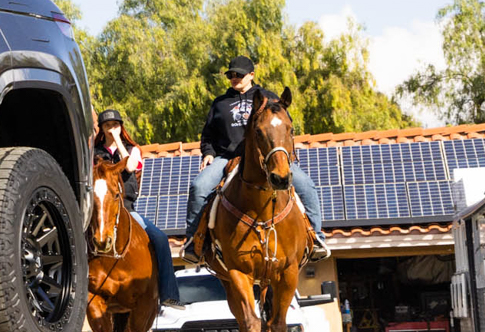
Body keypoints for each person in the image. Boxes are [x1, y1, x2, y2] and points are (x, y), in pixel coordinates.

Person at [180, 55, 331, 264]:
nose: (234, 78)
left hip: (268, 157)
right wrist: (208, 153)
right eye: (231, 75)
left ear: (251, 75)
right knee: (199, 186)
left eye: (239, 75)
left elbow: (284, 128)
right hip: (228, 157)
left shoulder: (269, 98)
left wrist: (284, 154)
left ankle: (316, 238)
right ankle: (194, 242)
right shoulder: (220, 104)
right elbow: (208, 135)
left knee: (306, 185)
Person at [92, 108, 181, 307]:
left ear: (121, 127)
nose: (111, 129)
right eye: (107, 126)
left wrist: (118, 143)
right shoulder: (94, 153)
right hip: (100, 210)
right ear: (101, 129)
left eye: (115, 125)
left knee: (159, 238)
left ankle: (168, 293)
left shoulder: (132, 150)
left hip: (126, 208)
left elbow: (131, 167)